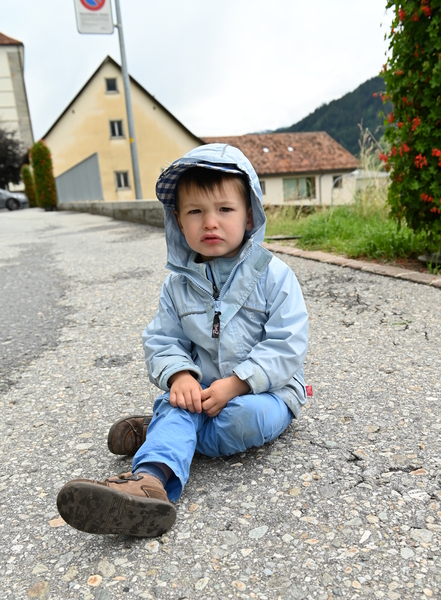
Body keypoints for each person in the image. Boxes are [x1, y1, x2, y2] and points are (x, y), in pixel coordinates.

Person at [57, 144, 309, 538]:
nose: (210, 222)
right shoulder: (177, 286)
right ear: (178, 219)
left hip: (267, 393)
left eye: (225, 209)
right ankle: (148, 482)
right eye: (195, 212)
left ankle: (164, 430)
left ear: (249, 215)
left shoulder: (275, 276)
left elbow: (287, 343)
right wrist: (179, 377)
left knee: (244, 419)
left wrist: (237, 383)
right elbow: (162, 340)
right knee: (180, 405)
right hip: (200, 394)